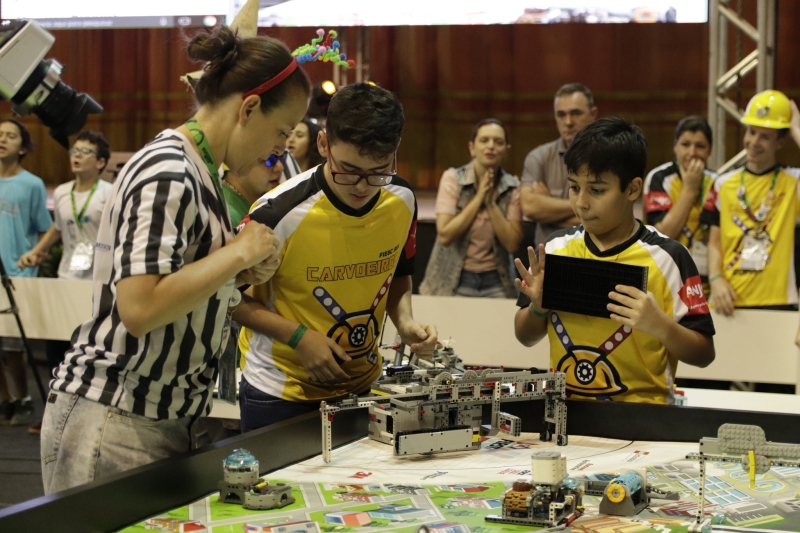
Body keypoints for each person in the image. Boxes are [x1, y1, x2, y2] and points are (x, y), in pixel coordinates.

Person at [40, 25, 310, 494]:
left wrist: (240, 272)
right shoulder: (170, 168)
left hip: (166, 416)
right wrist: (237, 254)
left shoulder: (201, 171)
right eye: (282, 131)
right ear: (248, 108)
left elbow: (182, 285)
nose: (280, 149)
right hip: (117, 415)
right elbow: (141, 309)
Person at [235, 83, 438, 431]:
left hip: (362, 387)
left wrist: (405, 322)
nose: (361, 186)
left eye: (377, 171)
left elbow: (399, 274)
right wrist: (299, 337)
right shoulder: (277, 213)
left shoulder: (402, 198)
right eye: (348, 169)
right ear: (324, 144)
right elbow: (226, 297)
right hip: (278, 393)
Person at [514, 117, 715, 404]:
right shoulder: (556, 248)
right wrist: (537, 308)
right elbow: (525, 336)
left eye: (596, 190)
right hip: (564, 415)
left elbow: (704, 354)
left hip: (646, 421)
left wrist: (659, 325)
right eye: (573, 187)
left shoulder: (669, 257)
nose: (581, 202)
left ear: (633, 189)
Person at [702, 90, 800, 318]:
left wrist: (796, 128)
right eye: (751, 132)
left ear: (781, 142)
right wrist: (715, 279)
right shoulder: (722, 183)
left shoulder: (793, 182)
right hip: (728, 301)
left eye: (765, 136)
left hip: (778, 302)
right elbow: (714, 241)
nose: (753, 142)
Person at [420, 118, 522, 297]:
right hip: (453, 278)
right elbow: (445, 234)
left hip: (496, 279)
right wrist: (480, 197)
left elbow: (512, 243)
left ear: (506, 150)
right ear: (472, 147)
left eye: (498, 142)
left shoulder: (512, 186)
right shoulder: (453, 178)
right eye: (484, 140)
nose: (491, 146)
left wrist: (490, 203)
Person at [0, 118, 52, 427]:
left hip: (16, 276)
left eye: (10, 136)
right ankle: (5, 398)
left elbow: (46, 229)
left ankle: (23, 397)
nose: (3, 139)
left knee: (12, 346)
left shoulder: (31, 184)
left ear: (23, 146)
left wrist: (33, 255)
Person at [644, 116, 717, 290]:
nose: (692, 152)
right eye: (685, 144)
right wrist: (690, 190)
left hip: (706, 282)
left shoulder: (718, 182)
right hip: (668, 279)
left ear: (710, 150)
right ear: (675, 146)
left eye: (700, 146)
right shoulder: (659, 178)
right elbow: (663, 233)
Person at [520, 83, 597, 246]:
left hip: (594, 257)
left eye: (576, 113)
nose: (568, 122)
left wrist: (549, 206)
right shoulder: (538, 157)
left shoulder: (608, 158)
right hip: (549, 259)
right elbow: (529, 207)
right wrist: (588, 206)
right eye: (561, 115)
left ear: (593, 114)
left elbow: (609, 217)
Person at [223, 150, 287, 227]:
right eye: (270, 159)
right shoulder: (228, 216)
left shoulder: (255, 206)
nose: (280, 168)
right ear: (241, 161)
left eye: (281, 159)